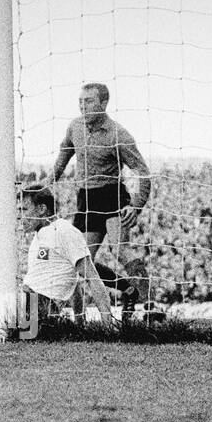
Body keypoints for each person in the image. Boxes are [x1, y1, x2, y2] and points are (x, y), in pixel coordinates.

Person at [0, 184, 117, 334]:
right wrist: (80, 323)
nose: (20, 216)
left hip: (38, 308)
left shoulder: (64, 231)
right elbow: (74, 284)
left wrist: (107, 326)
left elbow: (92, 278)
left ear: (42, 209)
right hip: (29, 308)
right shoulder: (41, 235)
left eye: (24, 209)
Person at [48, 82, 152, 309]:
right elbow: (63, 156)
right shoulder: (74, 128)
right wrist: (47, 182)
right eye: (80, 102)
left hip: (112, 196)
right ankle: (128, 290)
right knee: (81, 262)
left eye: (88, 101)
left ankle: (149, 305)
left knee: (120, 248)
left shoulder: (118, 134)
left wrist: (136, 205)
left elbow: (143, 172)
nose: (82, 107)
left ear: (103, 103)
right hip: (86, 199)